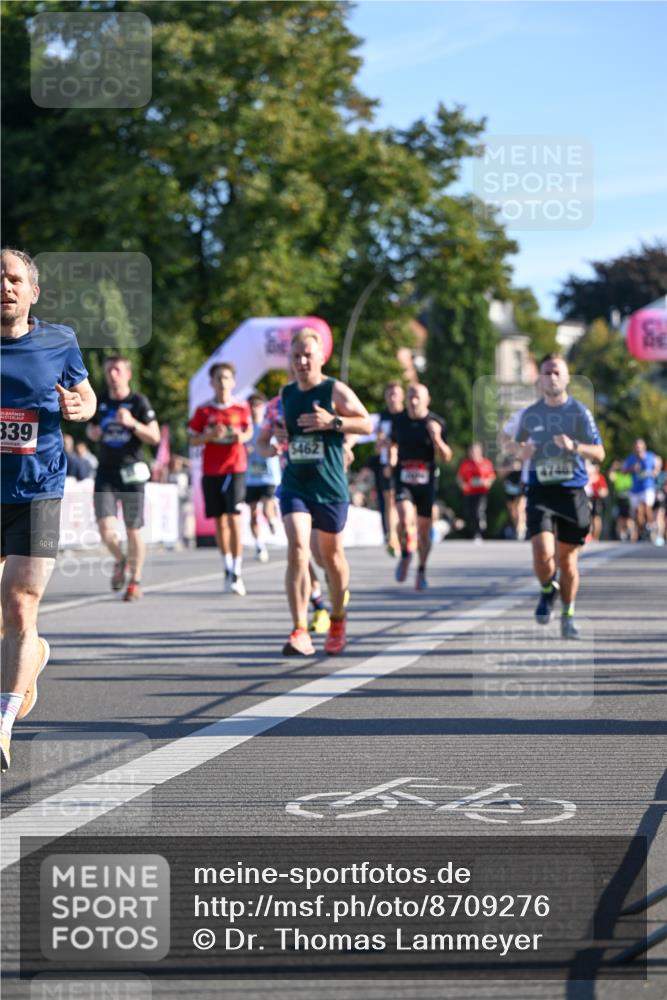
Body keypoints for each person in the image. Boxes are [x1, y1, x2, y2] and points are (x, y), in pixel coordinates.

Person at [1, 247, 96, 772]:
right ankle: (31, 656)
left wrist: (83, 405)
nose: (5, 286)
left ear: (32, 291)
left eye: (15, 278)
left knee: (19, 606)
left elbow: (87, 396)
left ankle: (3, 720)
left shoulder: (59, 340)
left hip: (37, 491)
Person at [256, 327, 371, 656]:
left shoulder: (334, 390)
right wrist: (278, 442)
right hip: (296, 483)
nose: (302, 361)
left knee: (332, 558)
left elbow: (365, 423)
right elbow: (264, 445)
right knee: (297, 550)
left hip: (330, 486)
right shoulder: (286, 394)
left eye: (308, 355)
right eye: (296, 357)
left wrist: (333, 422)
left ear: (321, 357)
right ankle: (299, 629)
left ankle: (337, 619)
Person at [508, 353, 605, 639]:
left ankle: (568, 613)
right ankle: (547, 589)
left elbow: (599, 452)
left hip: (572, 492)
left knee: (568, 563)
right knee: (542, 552)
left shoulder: (578, 412)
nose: (551, 377)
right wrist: (519, 452)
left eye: (556, 372)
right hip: (540, 490)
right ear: (539, 378)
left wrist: (574, 446)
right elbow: (514, 445)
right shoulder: (531, 414)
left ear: (566, 377)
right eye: (546, 372)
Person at [87, 356, 160, 601]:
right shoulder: (102, 401)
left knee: (133, 529)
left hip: (132, 472)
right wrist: (92, 432)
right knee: (105, 529)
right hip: (106, 471)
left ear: (127, 374)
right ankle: (120, 560)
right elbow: (91, 427)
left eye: (117, 370)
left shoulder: (138, 401)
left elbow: (155, 437)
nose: (112, 374)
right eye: (109, 370)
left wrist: (133, 423)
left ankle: (135, 580)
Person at [188, 362, 252, 595]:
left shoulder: (241, 407)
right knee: (220, 521)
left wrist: (239, 436)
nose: (223, 382)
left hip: (235, 468)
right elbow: (193, 439)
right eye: (218, 378)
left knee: (235, 518)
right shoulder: (204, 411)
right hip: (211, 471)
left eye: (226, 378)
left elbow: (248, 432)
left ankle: (237, 570)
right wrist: (209, 435)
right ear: (212, 382)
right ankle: (226, 566)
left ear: (233, 381)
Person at [390, 383, 452, 590]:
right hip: (403, 478)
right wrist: (390, 454)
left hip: (426, 482)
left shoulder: (436, 422)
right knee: (405, 518)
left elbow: (447, 457)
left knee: (424, 531)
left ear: (427, 400)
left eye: (417, 397)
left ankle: (421, 569)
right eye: (410, 397)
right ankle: (407, 553)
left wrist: (436, 438)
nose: (413, 401)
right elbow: (392, 443)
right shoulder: (398, 421)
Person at [245, 392, 280, 563]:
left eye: (257, 406)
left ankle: (272, 518)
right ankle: (259, 544)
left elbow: (277, 445)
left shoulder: (270, 426)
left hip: (268, 476)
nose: (254, 409)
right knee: (252, 513)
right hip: (250, 477)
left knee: (266, 508)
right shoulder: (246, 428)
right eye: (251, 406)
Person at [373, 381, 405, 556]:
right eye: (389, 394)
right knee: (389, 500)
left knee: (405, 503)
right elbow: (377, 446)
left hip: (405, 464)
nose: (392, 398)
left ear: (402, 397)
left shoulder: (406, 416)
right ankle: (391, 537)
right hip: (386, 464)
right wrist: (381, 442)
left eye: (396, 394)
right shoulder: (382, 418)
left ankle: (404, 533)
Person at [622, 438, 662, 541]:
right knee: (637, 511)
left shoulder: (650, 456)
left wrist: (655, 471)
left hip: (647, 487)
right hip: (635, 489)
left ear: (644, 447)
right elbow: (624, 470)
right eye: (636, 447)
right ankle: (642, 530)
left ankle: (651, 525)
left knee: (646, 507)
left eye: (640, 446)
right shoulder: (631, 458)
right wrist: (632, 469)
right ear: (634, 448)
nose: (638, 448)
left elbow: (658, 464)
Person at [456, 442, 496, 542]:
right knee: (470, 512)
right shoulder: (466, 464)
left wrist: (487, 482)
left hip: (481, 492)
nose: (473, 453)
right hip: (469, 492)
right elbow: (459, 477)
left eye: (475, 451)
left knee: (479, 510)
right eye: (471, 451)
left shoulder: (486, 463)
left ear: (480, 452)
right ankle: (475, 530)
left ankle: (479, 531)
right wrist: (462, 485)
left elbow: (491, 476)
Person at [585, 461, 609, 541]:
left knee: (596, 518)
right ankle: (588, 535)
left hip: (596, 499)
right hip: (586, 498)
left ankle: (595, 537)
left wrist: (598, 491)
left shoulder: (599, 477)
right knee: (587, 518)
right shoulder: (585, 476)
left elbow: (604, 491)